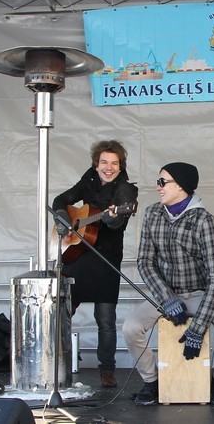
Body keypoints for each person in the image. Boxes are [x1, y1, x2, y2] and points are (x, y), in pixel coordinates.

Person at [122, 162, 214, 407]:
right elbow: (145, 263)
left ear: (180, 186)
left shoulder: (203, 220)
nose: (157, 187)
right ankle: (152, 382)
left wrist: (197, 329)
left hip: (200, 294)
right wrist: (167, 299)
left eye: (163, 182)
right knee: (130, 328)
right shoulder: (152, 214)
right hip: (164, 295)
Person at [52, 140, 138, 388]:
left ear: (121, 167)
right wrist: (63, 221)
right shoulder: (89, 179)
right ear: (96, 164)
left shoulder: (126, 192)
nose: (108, 168)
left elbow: (117, 224)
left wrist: (111, 217)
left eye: (114, 163)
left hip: (105, 259)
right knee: (62, 314)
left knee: (106, 320)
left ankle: (107, 371)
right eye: (104, 162)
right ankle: (58, 364)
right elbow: (61, 199)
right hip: (76, 256)